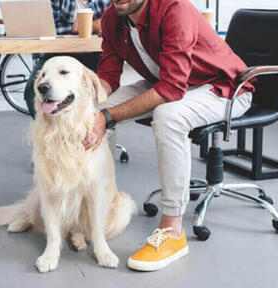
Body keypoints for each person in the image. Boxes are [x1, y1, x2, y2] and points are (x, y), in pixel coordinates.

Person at [85, 0, 255, 271]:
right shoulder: (111, 17)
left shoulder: (175, 9)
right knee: (90, 108)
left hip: (223, 88)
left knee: (168, 116)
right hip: (171, 83)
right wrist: (92, 108)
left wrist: (107, 118)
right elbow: (108, 75)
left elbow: (171, 89)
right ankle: (91, 209)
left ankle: (173, 231)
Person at [24, 0, 110, 118]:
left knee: (101, 90)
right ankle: (50, 131)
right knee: (31, 91)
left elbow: (112, 26)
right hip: (56, 54)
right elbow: (47, 29)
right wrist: (87, 25)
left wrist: (88, 24)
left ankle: (96, 130)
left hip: (95, 54)